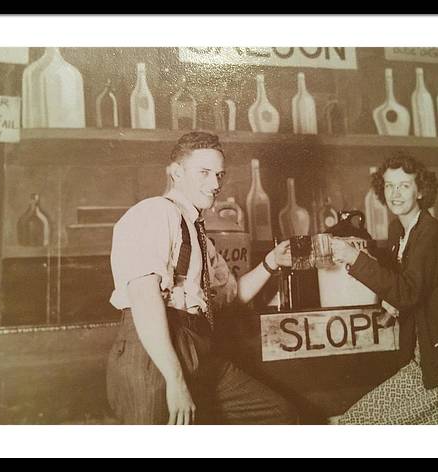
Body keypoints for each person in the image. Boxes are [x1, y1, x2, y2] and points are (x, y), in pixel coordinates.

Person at [106, 131, 298, 425]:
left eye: (219, 174)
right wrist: (175, 378)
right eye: (204, 173)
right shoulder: (154, 213)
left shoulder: (199, 235)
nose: (215, 184)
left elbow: (229, 297)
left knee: (278, 414)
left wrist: (271, 263)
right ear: (177, 173)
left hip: (196, 347)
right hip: (153, 352)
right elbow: (144, 296)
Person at [328, 153, 438, 425]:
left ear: (421, 190)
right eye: (389, 186)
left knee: (356, 423)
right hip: (430, 360)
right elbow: (412, 288)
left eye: (404, 185)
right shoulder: (399, 231)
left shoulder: (431, 233)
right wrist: (391, 306)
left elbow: (408, 291)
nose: (395, 193)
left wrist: (355, 258)